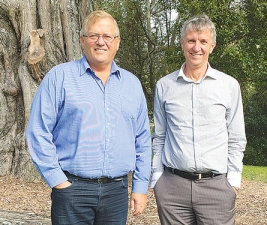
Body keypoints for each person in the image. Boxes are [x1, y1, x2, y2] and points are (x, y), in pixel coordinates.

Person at [26, 10, 151, 225]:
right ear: (82, 41)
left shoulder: (132, 84)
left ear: (117, 42)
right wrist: (57, 180)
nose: (100, 42)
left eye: (107, 36)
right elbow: (38, 131)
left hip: (117, 192)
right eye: (93, 35)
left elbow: (143, 140)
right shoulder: (60, 77)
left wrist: (139, 187)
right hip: (72, 190)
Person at [151, 14, 247, 225]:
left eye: (203, 41)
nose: (197, 47)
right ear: (182, 43)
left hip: (216, 188)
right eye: (191, 40)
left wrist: (232, 182)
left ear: (212, 46)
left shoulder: (229, 86)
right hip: (172, 189)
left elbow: (237, 138)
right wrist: (157, 177)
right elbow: (159, 136)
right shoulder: (165, 86)